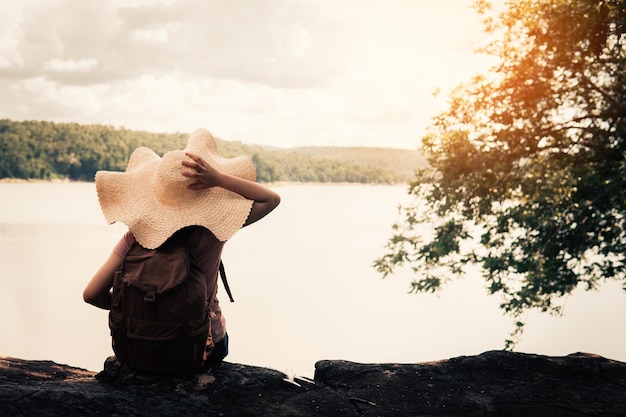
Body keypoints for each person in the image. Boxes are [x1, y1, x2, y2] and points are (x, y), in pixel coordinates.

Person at [83, 128, 280, 368]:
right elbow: (271, 199)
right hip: (201, 348)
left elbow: (91, 294)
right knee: (218, 341)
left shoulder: (135, 238)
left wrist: (146, 315)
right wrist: (218, 179)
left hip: (139, 346)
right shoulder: (212, 232)